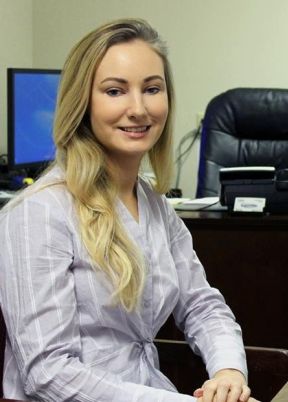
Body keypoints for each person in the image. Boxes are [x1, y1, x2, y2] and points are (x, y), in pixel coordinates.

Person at [0, 19, 258, 402]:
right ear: (82, 102)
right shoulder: (38, 213)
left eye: (152, 89)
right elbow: (49, 372)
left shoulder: (154, 205)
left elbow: (202, 306)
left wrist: (228, 373)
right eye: (115, 91)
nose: (138, 109)